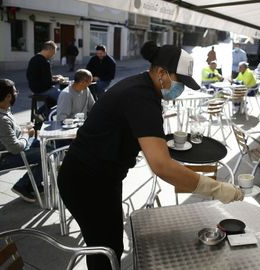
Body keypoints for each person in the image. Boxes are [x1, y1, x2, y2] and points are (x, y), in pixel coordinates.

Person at [57, 41, 243, 270]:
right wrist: (216, 188)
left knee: (111, 244)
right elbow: (162, 166)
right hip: (86, 181)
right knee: (104, 249)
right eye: (180, 81)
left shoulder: (142, 88)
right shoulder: (141, 96)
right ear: (162, 73)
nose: (181, 88)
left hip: (102, 177)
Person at [0, 79, 43, 203]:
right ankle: (23, 186)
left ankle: (34, 183)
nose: (17, 93)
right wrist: (26, 133)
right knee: (46, 154)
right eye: (15, 91)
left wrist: (23, 131)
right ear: (7, 96)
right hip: (2, 159)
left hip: (7, 149)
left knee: (45, 144)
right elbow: (16, 148)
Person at [26, 40, 63, 117]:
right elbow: (47, 82)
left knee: (53, 99)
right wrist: (58, 81)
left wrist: (53, 77)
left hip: (34, 88)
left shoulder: (33, 59)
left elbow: (37, 75)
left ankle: (40, 113)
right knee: (65, 96)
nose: (52, 55)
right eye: (53, 53)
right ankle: (45, 114)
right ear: (49, 50)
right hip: (43, 89)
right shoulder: (45, 62)